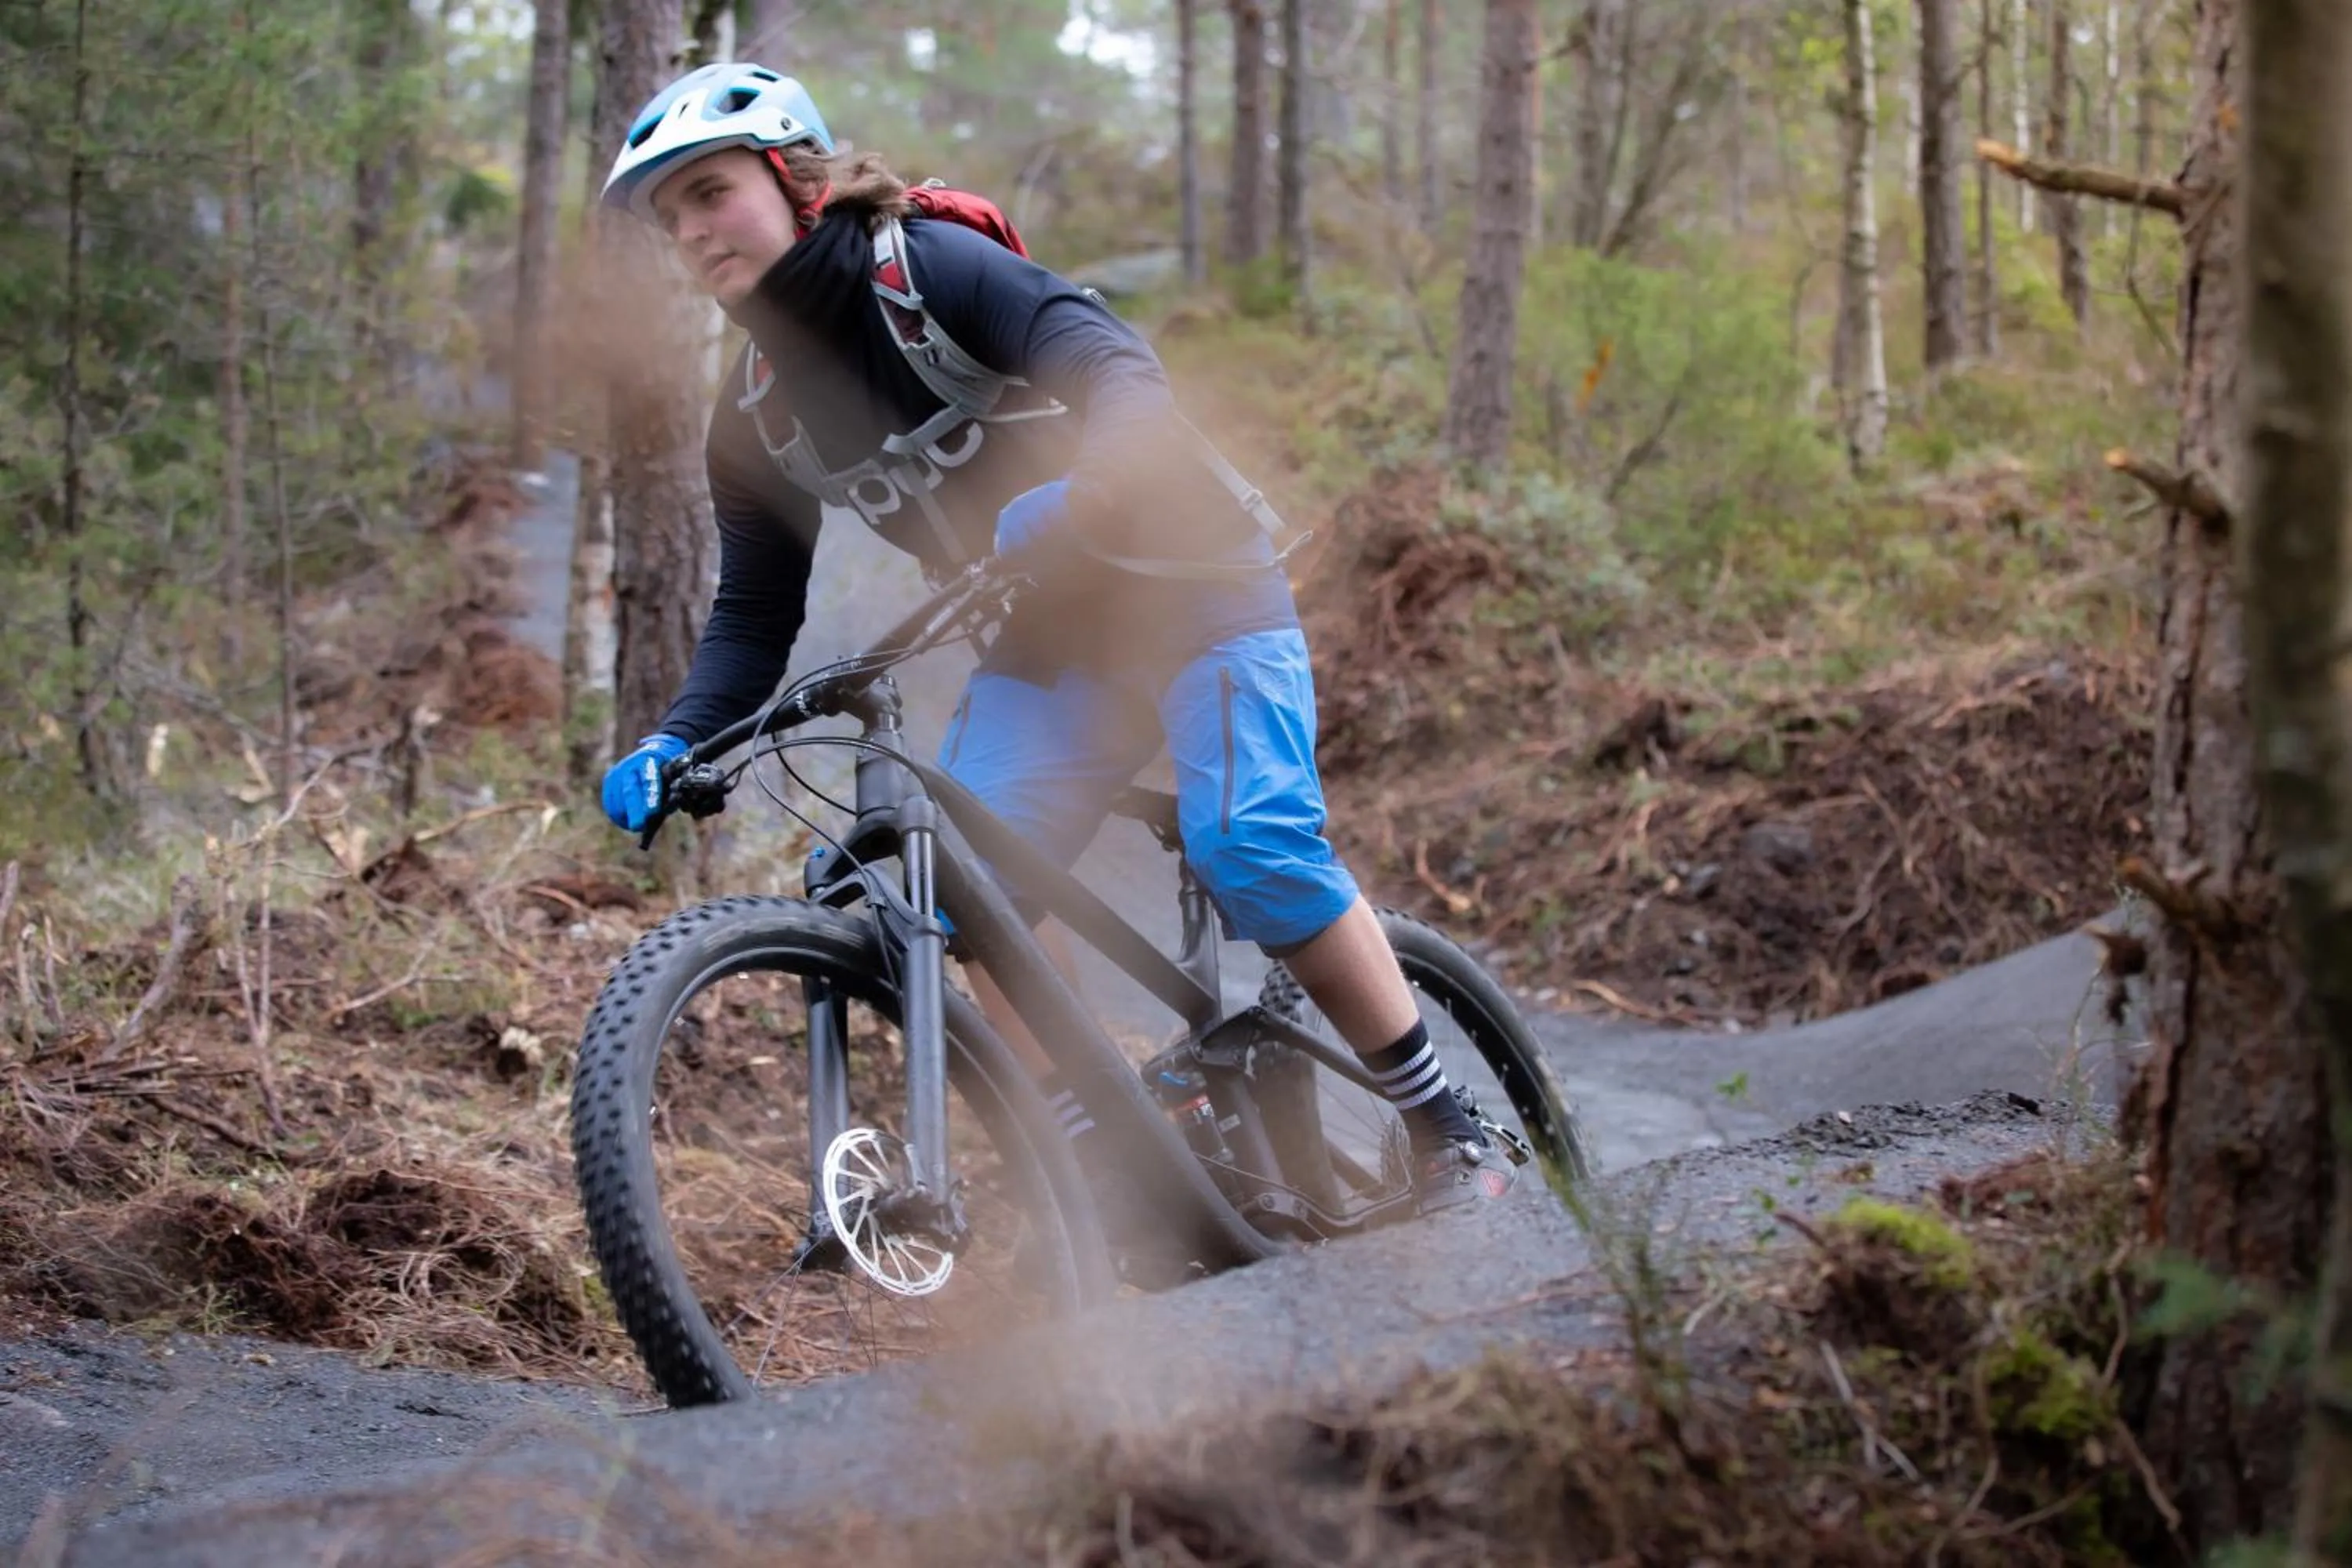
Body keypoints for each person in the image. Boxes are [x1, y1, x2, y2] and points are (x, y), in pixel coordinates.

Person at [594, 60, 1514, 1217]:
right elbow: (753, 610)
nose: (690, 230)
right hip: (1049, 640)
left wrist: (1080, 497)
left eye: (711, 191)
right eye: (670, 216)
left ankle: (1452, 1133)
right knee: (969, 895)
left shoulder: (925, 269)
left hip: (1193, 582)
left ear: (796, 178)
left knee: (1254, 850)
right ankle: (1126, 1160)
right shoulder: (756, 416)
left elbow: (1123, 377)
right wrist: (679, 739)